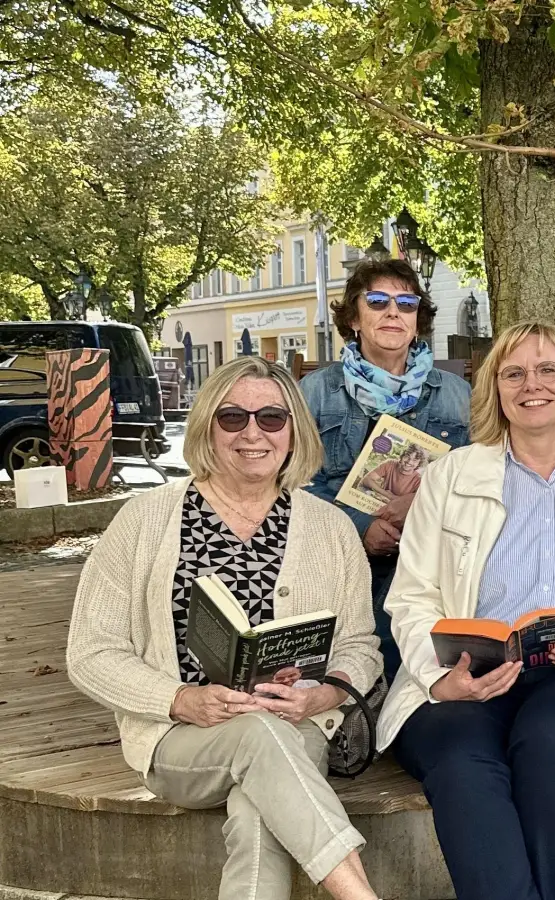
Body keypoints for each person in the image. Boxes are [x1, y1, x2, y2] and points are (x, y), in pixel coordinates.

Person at [65, 355, 384, 900]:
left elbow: (360, 645)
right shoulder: (144, 520)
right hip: (179, 740)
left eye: (272, 418)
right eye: (233, 418)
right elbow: (90, 652)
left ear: (294, 431)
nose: (252, 433)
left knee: (261, 813)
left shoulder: (330, 528)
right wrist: (180, 698)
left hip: (298, 725)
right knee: (261, 740)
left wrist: (323, 694)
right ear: (208, 426)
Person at [376, 322, 555, 900]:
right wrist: (437, 678)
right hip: (462, 674)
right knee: (459, 760)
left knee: (551, 738)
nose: (534, 384)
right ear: (495, 389)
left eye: (550, 369)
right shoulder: (451, 475)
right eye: (515, 373)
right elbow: (411, 595)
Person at [302, 258, 471, 682]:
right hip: (341, 555)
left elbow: (477, 475)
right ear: (354, 318)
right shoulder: (317, 391)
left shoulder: (456, 394)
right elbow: (295, 485)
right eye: (377, 301)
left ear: (418, 320)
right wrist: (362, 527)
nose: (393, 312)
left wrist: (419, 504)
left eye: (406, 303)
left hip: (431, 554)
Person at [360, 443, 429, 503]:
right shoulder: (390, 464)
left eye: (415, 460)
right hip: (380, 501)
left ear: (419, 464)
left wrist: (392, 498)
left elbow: (414, 503)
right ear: (402, 457)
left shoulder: (418, 480)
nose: (409, 462)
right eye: (407, 457)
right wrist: (388, 495)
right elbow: (366, 480)